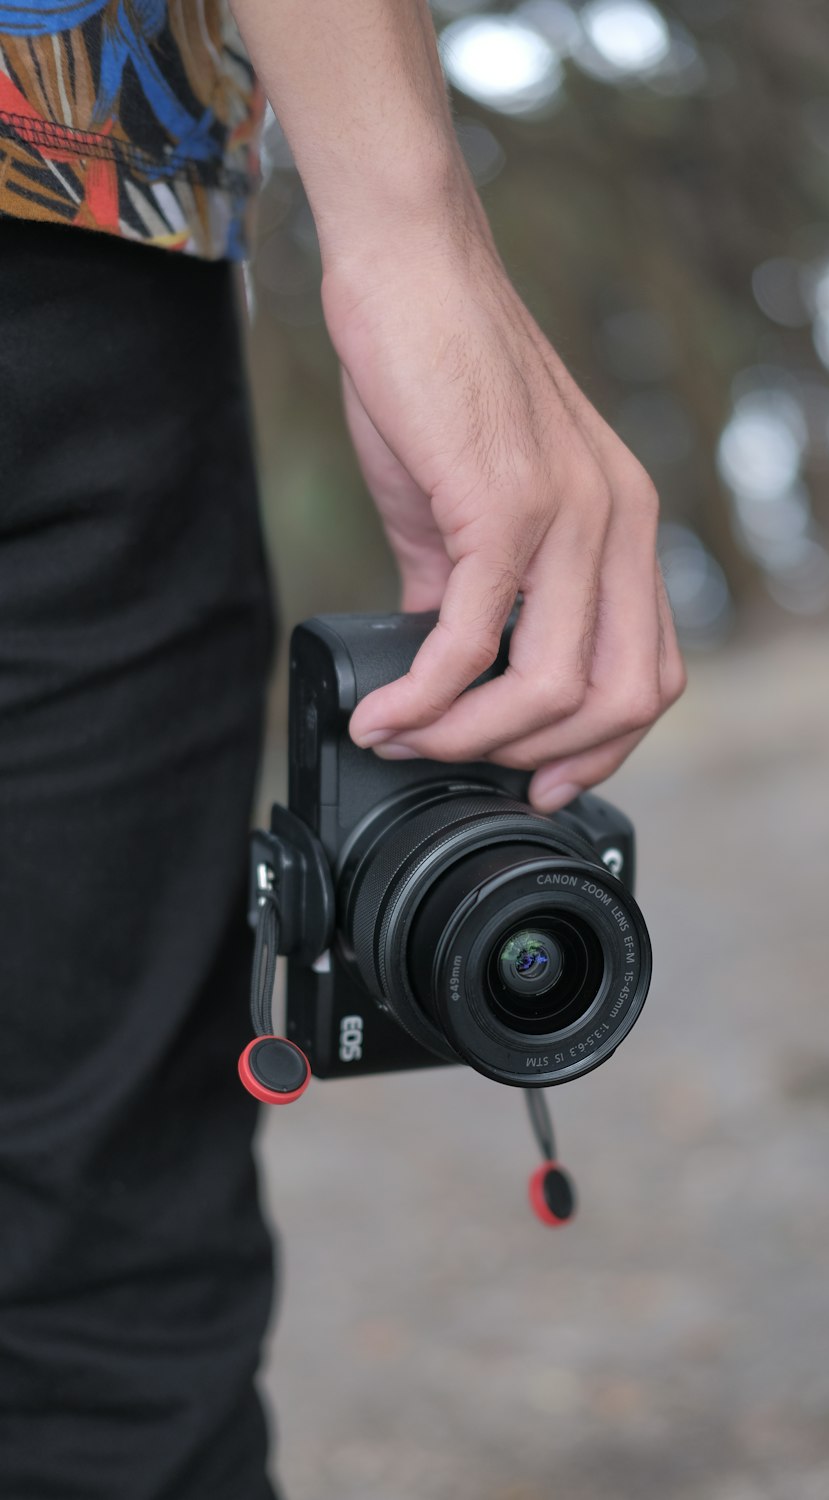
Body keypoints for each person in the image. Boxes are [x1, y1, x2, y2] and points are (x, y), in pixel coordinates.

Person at [0, 1, 685, 1495]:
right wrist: (402, 224)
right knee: (94, 1300)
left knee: (104, 1298)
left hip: (68, 244)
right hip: (63, 195)